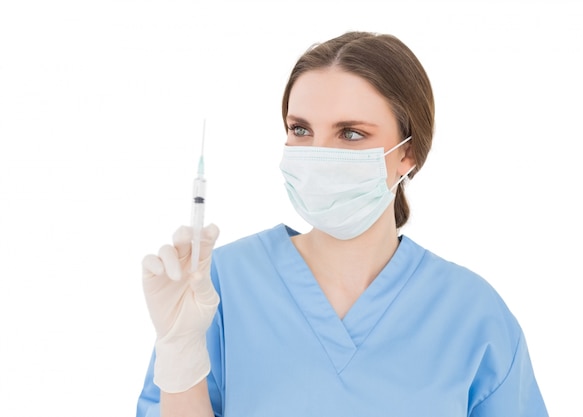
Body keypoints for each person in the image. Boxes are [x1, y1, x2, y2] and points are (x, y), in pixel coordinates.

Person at [136, 31, 549, 417]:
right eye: (300, 129)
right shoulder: (216, 286)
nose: (318, 155)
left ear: (409, 154)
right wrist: (179, 353)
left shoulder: (473, 315)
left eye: (350, 134)